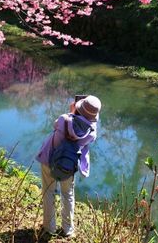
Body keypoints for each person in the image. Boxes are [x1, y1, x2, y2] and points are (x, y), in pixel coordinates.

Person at [36, 95, 101, 238]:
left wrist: (72, 112)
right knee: (68, 195)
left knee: (48, 192)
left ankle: (49, 227)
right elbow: (86, 127)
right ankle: (68, 230)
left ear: (79, 107)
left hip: (49, 159)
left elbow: (57, 125)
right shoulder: (92, 132)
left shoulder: (63, 119)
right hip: (68, 166)